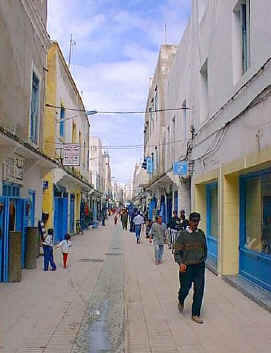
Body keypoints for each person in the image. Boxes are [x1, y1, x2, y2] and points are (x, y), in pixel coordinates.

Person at [174, 212, 207, 324]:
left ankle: (195, 314)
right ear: (189, 221)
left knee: (199, 290)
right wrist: (181, 263)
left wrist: (202, 260)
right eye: (193, 221)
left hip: (199, 267)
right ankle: (181, 299)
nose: (195, 223)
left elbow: (204, 249)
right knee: (185, 289)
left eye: (197, 221)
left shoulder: (201, 234)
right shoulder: (183, 235)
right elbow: (177, 252)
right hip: (186, 267)